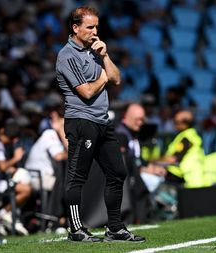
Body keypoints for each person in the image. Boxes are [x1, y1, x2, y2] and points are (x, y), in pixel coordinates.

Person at [55, 6, 145, 242]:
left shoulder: (96, 51)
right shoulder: (67, 55)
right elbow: (86, 91)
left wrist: (104, 56)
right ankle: (75, 229)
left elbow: (117, 78)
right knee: (77, 177)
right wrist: (104, 76)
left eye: (97, 26)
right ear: (75, 28)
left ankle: (114, 227)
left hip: (102, 121)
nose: (95, 31)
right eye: (90, 27)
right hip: (81, 121)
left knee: (117, 172)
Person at [115, 103, 165, 224]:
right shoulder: (120, 134)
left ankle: (146, 213)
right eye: (137, 119)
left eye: (142, 119)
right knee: (149, 182)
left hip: (135, 174)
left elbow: (138, 158)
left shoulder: (134, 134)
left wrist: (150, 166)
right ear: (127, 117)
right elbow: (126, 161)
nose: (140, 123)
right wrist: (144, 169)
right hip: (127, 178)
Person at [0, 119, 32, 236]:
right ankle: (3, 214)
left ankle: (10, 214)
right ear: (14, 138)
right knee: (26, 190)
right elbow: (3, 167)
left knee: (22, 175)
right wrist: (16, 158)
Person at [156, 110, 205, 188]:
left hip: (177, 178)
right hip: (181, 177)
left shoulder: (187, 138)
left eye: (176, 122)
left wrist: (153, 161)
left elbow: (173, 159)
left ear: (185, 124)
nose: (174, 124)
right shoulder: (188, 135)